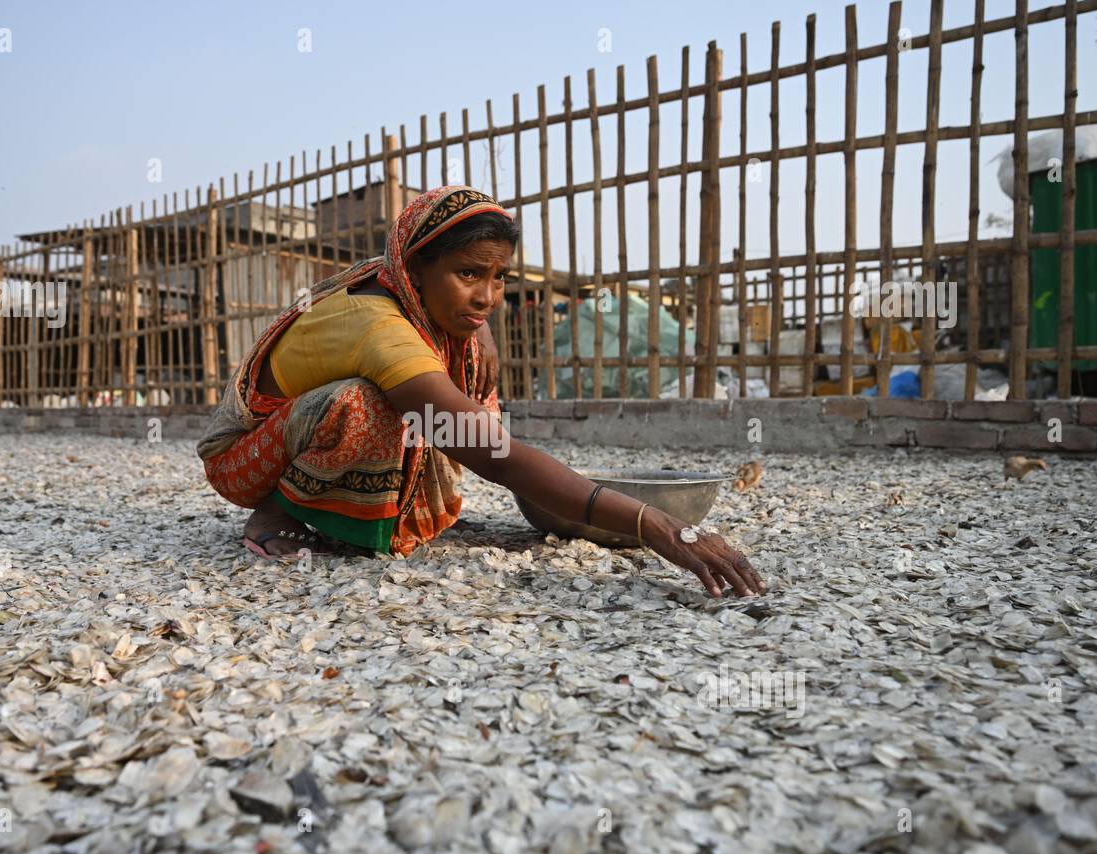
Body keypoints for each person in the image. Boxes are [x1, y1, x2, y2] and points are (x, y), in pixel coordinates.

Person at [198, 185, 763, 597]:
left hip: (301, 426)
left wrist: (479, 325)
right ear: (415, 268)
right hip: (243, 455)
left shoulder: (400, 280)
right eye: (470, 274)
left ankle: (376, 512)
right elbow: (491, 452)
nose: (489, 295)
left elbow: (448, 298)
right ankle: (275, 517)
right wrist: (655, 524)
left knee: (454, 384)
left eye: (500, 278)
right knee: (365, 407)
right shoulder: (375, 324)